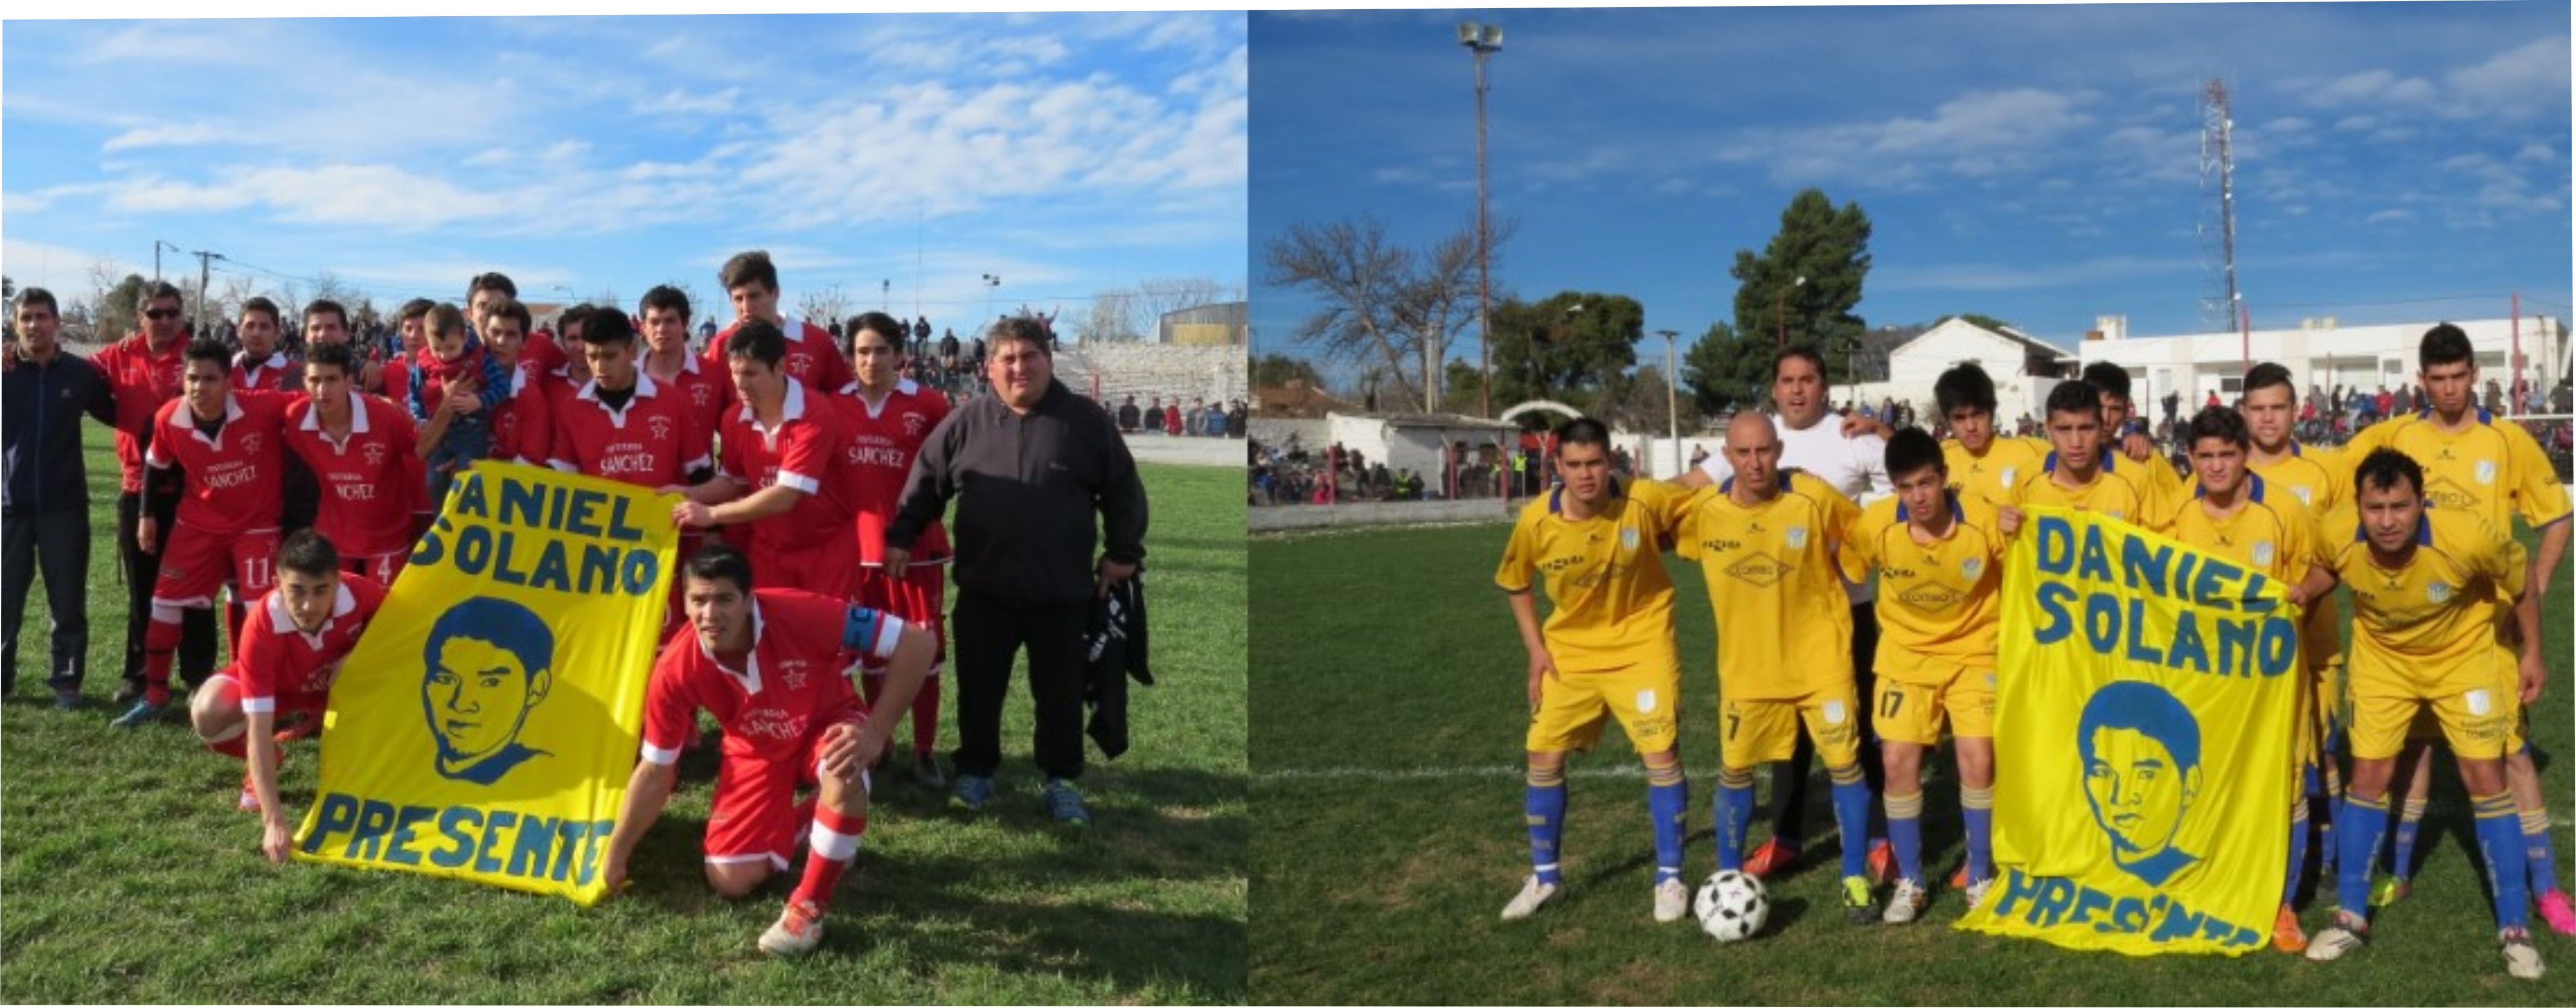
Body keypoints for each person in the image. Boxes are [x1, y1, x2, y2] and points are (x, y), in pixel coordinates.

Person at [2343, 323, 2574, 933]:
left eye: (2457, 376)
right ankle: (2397, 871)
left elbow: (2555, 518)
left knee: (2513, 754)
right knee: (2413, 747)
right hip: (2408, 632)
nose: (2447, 389)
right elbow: (2324, 471)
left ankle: (2545, 889)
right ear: (2420, 380)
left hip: (2482, 635)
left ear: (2473, 374)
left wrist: (2537, 587)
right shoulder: (2395, 435)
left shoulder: (2505, 441)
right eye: (2436, 378)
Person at [601, 544, 937, 956]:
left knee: (843, 764)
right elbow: (655, 771)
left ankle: (807, 908)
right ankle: (821, 815)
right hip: (754, 750)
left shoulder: (802, 613)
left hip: (826, 723)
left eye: (724, 599)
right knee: (730, 879)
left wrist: (874, 730)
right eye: (698, 600)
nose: (710, 614)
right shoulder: (673, 669)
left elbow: (917, 643)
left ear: (748, 599)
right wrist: (616, 854)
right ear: (683, 602)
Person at [883, 315, 1147, 826]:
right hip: (985, 590)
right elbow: (924, 485)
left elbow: (1124, 491)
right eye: (1008, 358)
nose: (1019, 367)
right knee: (979, 688)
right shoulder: (965, 422)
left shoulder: (1086, 422)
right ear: (990, 367)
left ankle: (1062, 779)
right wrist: (901, 538)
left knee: (1061, 695)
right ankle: (976, 770)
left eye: (1029, 357)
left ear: (1047, 359)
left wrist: (1123, 552)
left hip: (1063, 593)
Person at [2306, 449, 2547, 980]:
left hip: (2462, 662)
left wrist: (2531, 653)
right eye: (2374, 507)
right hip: (2383, 665)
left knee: (2484, 777)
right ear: (2357, 505)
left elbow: (2521, 578)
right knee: (2367, 776)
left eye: (2399, 506)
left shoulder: (2467, 535)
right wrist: (2301, 593)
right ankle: (2349, 917)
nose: (2386, 520)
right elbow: (2325, 568)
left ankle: (2513, 927)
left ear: (2421, 503)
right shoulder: (2335, 530)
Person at [1678, 346, 1893, 884]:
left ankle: (1878, 838)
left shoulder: (1852, 435)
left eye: (1807, 379)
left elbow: (1902, 483)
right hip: (1774, 620)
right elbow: (1685, 492)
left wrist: (1885, 433)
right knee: (1785, 744)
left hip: (1848, 611)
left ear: (1822, 385)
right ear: (1774, 388)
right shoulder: (1753, 434)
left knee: (1864, 732)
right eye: (1786, 379)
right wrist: (1615, 496)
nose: (1796, 389)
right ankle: (1787, 839)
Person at [1491, 416, 1694, 923]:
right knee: (1542, 755)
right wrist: (1536, 651)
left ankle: (1669, 879)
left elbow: (1699, 485)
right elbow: (1515, 583)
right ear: (1557, 466)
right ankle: (1544, 876)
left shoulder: (1644, 498)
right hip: (1571, 654)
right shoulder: (1536, 521)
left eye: (1596, 463)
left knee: (1660, 751)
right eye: (1575, 465)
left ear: (1611, 461)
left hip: (1642, 645)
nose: (1586, 475)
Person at [2163, 406, 2336, 951]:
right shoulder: (2175, 512)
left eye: (2226, 455)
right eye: (2205, 456)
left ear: (2244, 455)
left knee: (2283, 784)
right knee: (2207, 782)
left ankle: (2280, 904)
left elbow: (2326, 567)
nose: (2215, 467)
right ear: (2190, 459)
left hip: (2272, 677)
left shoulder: (2282, 509)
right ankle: (2214, 888)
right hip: (2201, 678)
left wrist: (2304, 591)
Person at [1836, 428, 2005, 921]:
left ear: (1944, 478)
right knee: (1897, 760)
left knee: (1977, 757)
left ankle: (1979, 874)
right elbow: (1848, 568)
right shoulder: (1877, 524)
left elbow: (2024, 569)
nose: (1917, 497)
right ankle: (1910, 881)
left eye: (1926, 483)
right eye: (1905, 487)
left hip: (1975, 652)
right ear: (1893, 487)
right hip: (1905, 657)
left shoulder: (1985, 520)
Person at [114, 338, 295, 727]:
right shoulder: (169, 417)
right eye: (192, 378)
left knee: (259, 610)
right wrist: (146, 515)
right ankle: (156, 696)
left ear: (229, 382)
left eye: (210, 379)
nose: (199, 387)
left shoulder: (262, 405)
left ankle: (255, 691)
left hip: (256, 525)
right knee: (163, 603)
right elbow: (155, 463)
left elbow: (315, 397)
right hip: (198, 523)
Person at [186, 530, 385, 853]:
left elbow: (405, 623)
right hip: (279, 691)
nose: (309, 604)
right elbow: (259, 727)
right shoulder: (262, 626)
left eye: (322, 591)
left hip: (336, 691)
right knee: (207, 713)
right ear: (278, 583)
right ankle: (263, 766)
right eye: (297, 591)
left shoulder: (360, 592)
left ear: (338, 582)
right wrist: (274, 822)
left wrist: (357, 656)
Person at [2234, 363, 2352, 890]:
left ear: (2294, 409)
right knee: (2254, 749)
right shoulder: (2221, 472)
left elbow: (2345, 550)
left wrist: (2305, 591)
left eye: (2277, 407)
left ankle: (2327, 858)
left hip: (2313, 641)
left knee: (2321, 750)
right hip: (2242, 652)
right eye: (2257, 408)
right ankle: (2258, 852)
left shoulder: (2324, 473)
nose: (2266, 418)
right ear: (2242, 413)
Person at [833, 312, 954, 789]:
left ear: (900, 354)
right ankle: (876, 742)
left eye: (882, 350)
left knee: (924, 656)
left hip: (916, 552)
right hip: (855, 554)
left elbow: (946, 478)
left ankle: (925, 749)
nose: (872, 360)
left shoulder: (928, 404)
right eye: (863, 351)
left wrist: (910, 530)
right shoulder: (830, 405)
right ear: (850, 357)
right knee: (868, 654)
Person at [94, 282, 217, 706]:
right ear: (139, 316)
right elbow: (70, 372)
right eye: (155, 313)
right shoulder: (118, 355)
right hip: (137, 490)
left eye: (171, 312)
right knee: (143, 590)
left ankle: (199, 675)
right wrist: (12, 353)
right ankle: (139, 673)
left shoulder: (197, 355)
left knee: (196, 590)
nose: (164, 320)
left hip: (193, 492)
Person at [676, 319, 859, 602]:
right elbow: (733, 480)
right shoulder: (734, 418)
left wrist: (712, 514)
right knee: (769, 639)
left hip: (826, 549)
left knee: (828, 643)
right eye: (735, 373)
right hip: (769, 551)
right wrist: (688, 495)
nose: (740, 383)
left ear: (780, 367)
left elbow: (786, 496)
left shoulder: (816, 413)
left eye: (751, 373)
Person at [4, 288, 118, 706]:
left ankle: (67, 680)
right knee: (5, 596)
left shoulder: (80, 374)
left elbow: (119, 412)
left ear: (57, 322)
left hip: (64, 506)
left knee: (67, 597)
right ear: (16, 323)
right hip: (8, 505)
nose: (34, 325)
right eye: (26, 317)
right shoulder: (4, 370)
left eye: (41, 317)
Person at [281, 342, 420, 586]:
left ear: (349, 381)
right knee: (334, 613)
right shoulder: (295, 418)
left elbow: (422, 449)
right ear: (304, 382)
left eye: (332, 379)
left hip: (388, 536)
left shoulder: (386, 416)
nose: (322, 390)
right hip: (333, 535)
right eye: (314, 380)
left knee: (384, 615)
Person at [1999, 380, 2162, 535]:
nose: (2076, 442)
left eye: (2086, 429)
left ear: (2101, 427)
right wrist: (2007, 533)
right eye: (2064, 429)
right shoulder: (2027, 479)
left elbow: (2164, 548)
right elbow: (2011, 553)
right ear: (2048, 428)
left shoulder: (2136, 480)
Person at [699, 250, 855, 404]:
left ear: (776, 293)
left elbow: (845, 398)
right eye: (738, 299)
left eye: (754, 296)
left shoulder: (817, 341)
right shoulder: (721, 345)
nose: (746, 307)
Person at [1933, 362, 2048, 511]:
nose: (1971, 427)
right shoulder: (1937, 459)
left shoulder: (2031, 451)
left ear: (1993, 410)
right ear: (1947, 419)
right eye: (1960, 418)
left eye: (1978, 414)